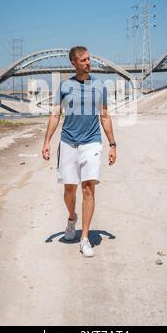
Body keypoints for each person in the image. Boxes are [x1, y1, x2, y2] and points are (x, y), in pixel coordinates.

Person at [42, 46, 117, 257]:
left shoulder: (99, 86)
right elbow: (55, 114)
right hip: (68, 142)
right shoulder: (65, 86)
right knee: (69, 190)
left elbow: (105, 116)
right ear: (73, 63)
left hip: (92, 142)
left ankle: (84, 238)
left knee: (88, 189)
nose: (88, 63)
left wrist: (112, 144)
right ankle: (72, 217)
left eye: (89, 59)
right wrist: (47, 141)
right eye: (83, 60)